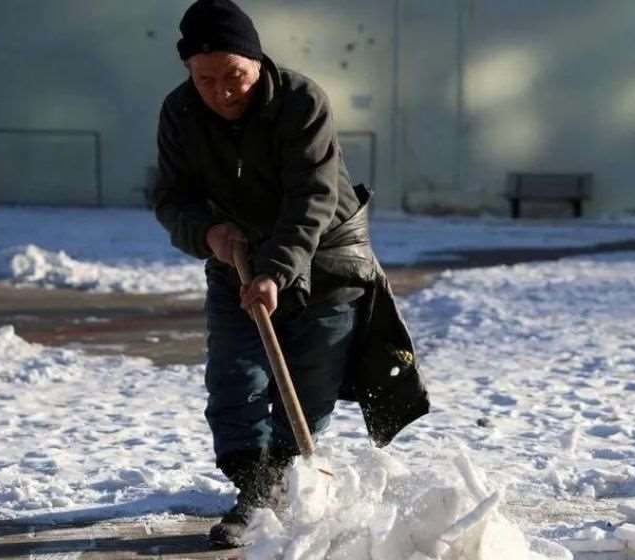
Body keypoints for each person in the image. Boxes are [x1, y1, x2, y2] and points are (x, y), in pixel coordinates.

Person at [153, 0, 429, 547]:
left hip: (328, 260)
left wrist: (275, 271)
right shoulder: (180, 112)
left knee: (306, 389)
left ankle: (281, 486)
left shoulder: (301, 101)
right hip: (236, 259)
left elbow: (312, 199)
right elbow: (172, 197)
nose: (222, 91)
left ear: (256, 62)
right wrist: (208, 234)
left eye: (234, 75)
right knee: (235, 381)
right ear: (189, 71)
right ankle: (254, 493)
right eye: (205, 79)